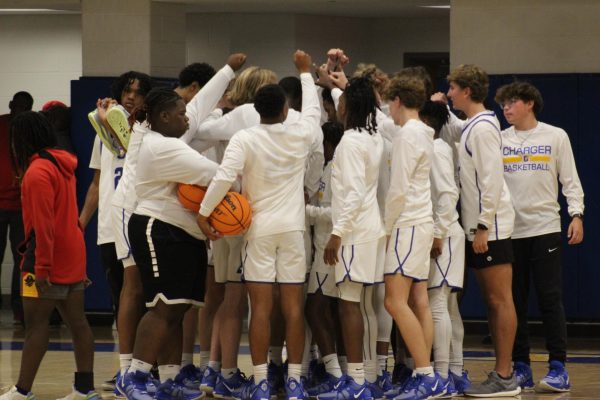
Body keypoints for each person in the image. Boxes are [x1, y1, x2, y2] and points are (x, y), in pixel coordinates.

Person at [198, 50, 320, 400]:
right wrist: (305, 73)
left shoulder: (244, 138)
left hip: (259, 231)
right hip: (294, 231)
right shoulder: (301, 134)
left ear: (257, 111)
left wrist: (205, 213)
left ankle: (261, 381)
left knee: (261, 310)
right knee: (294, 308)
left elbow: (223, 178)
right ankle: (295, 382)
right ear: (284, 109)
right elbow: (312, 110)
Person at [0, 111, 97, 400]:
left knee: (36, 326)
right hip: (73, 251)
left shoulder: (37, 172)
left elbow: (44, 225)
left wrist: (42, 268)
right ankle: (84, 389)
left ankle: (23, 390)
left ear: (21, 140)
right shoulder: (60, 163)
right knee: (78, 323)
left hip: (45, 256)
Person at [495, 81, 584, 393]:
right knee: (514, 301)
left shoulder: (555, 135)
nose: (506, 109)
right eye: (503, 104)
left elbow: (570, 179)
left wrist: (576, 214)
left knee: (549, 299)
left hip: (545, 227)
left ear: (529, 103)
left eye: (511, 103)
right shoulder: (499, 138)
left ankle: (558, 366)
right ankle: (521, 367)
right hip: (509, 230)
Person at [446, 64, 520, 398]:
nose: (449, 93)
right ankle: (502, 372)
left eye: (452, 89)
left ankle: (505, 375)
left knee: (499, 298)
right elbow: (458, 126)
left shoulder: (485, 129)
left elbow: (492, 181)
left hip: (491, 228)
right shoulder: (475, 125)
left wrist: (483, 226)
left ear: (466, 90)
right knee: (492, 301)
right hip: (480, 227)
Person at [380, 75, 444, 400]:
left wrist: (387, 229)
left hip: (407, 224)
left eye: (389, 102)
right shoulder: (422, 132)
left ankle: (426, 374)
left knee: (393, 301)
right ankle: (426, 375)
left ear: (397, 101)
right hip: (422, 223)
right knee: (418, 302)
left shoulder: (408, 135)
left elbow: (398, 188)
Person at [419, 100, 470, 396]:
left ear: (426, 120)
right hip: (446, 232)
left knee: (439, 304)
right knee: (448, 307)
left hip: (446, 233)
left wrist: (438, 233)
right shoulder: (436, 147)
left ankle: (441, 375)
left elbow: (448, 193)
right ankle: (453, 371)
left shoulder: (437, 148)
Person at [304, 122, 345, 397]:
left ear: (328, 144)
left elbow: (336, 211)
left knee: (314, 309)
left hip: (330, 247)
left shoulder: (337, 170)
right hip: (322, 246)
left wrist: (304, 210)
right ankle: (332, 367)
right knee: (327, 311)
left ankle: (336, 374)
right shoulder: (326, 168)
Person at [0, 91, 32, 324]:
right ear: (10, 105)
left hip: (21, 205)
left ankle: (20, 311)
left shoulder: (31, 131)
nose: (19, 110)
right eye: (17, 106)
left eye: (25, 107)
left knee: (21, 258)